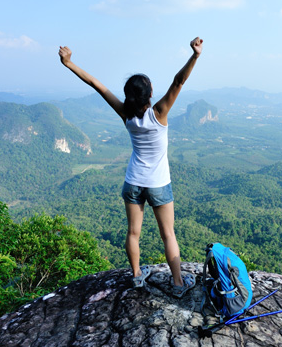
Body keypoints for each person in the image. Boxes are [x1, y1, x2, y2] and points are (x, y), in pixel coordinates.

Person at [58, 37, 203, 298]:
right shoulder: (159, 112)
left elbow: (96, 84)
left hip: (133, 182)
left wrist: (69, 64)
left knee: (133, 233)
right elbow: (178, 82)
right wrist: (195, 55)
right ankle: (179, 283)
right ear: (149, 94)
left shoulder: (125, 113)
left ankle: (137, 276)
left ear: (129, 96)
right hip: (158, 183)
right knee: (168, 234)